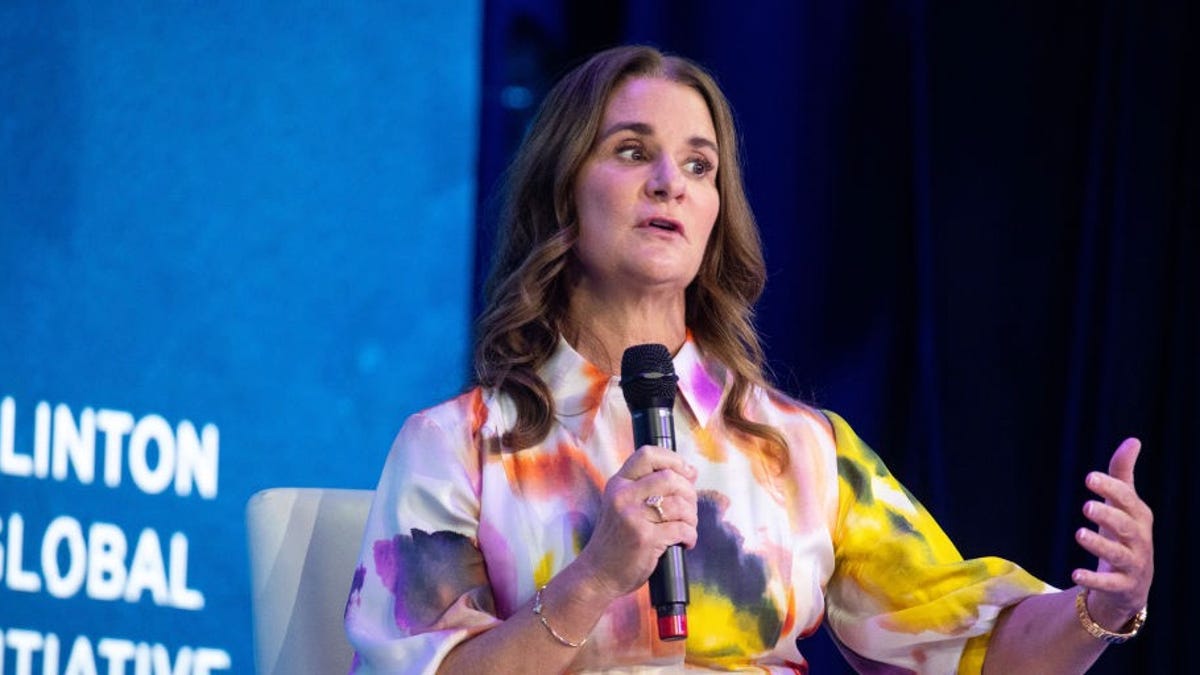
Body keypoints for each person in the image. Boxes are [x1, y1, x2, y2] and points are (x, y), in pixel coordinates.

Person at [343, 45, 1154, 674]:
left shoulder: (800, 448)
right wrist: (595, 577)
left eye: (699, 165)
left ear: (715, 212)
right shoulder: (460, 445)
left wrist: (1103, 609)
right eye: (632, 151)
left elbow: (972, 649)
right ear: (563, 190)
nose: (670, 181)